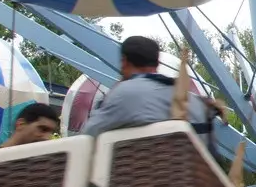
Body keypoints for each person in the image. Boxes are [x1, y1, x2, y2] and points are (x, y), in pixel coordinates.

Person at [82, 36, 214, 138]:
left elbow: (89, 132)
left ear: (124, 61)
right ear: (157, 63)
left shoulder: (124, 93)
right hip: (189, 170)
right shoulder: (194, 102)